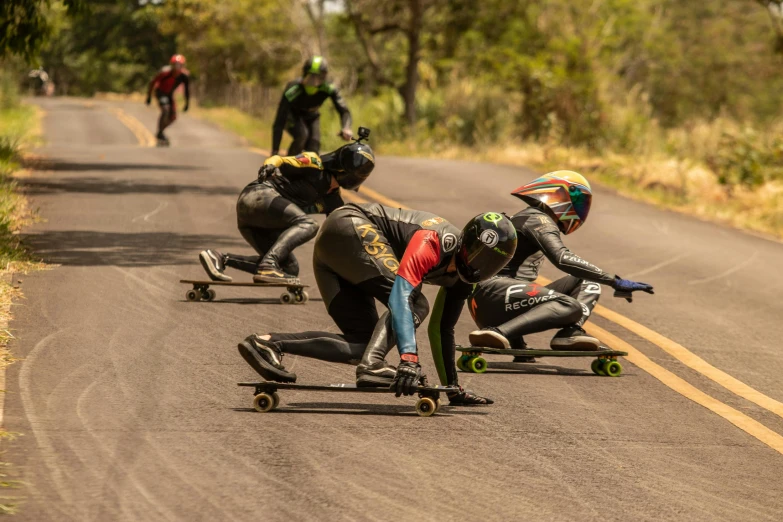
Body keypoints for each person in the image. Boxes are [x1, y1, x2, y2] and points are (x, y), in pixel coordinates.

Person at [237, 204, 517, 405]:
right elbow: (400, 296)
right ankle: (373, 366)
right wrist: (408, 359)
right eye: (475, 253)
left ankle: (267, 344)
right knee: (415, 302)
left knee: (364, 344)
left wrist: (452, 389)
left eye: (490, 262)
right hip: (349, 225)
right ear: (464, 239)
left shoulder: (467, 279)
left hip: (335, 255)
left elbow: (442, 329)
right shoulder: (435, 240)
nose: (478, 264)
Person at [467, 171, 654, 359]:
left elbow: (517, 279)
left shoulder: (531, 217)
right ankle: (498, 332)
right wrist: (613, 281)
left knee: (588, 282)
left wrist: (519, 347)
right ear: (558, 195)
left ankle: (569, 333)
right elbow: (562, 258)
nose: (580, 208)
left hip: (495, 299)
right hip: (493, 295)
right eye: (578, 201)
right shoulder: (538, 219)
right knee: (571, 306)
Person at [199, 133, 375, 284]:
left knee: (289, 269)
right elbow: (280, 160)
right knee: (309, 224)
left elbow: (341, 235)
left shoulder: (333, 201)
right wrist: (269, 165)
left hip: (257, 221)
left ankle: (221, 258)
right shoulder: (314, 163)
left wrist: (360, 265)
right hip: (258, 195)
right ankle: (268, 266)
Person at [271, 56, 352, 156]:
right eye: (310, 76)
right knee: (302, 135)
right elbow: (279, 121)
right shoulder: (292, 89)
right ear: (304, 74)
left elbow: (343, 110)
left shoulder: (329, 88)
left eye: (318, 77)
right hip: (293, 116)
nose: (313, 82)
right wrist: (275, 151)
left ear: (323, 77)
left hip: (313, 116)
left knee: (314, 146)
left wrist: (346, 127)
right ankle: (288, 166)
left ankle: (310, 170)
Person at [146, 54, 190, 144]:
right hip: (160, 92)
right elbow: (152, 82)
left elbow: (187, 90)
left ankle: (160, 132)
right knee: (165, 110)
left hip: (169, 94)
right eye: (175, 65)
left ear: (182, 66)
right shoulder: (164, 72)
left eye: (179, 65)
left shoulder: (184, 76)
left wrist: (187, 103)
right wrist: (149, 96)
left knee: (173, 117)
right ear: (172, 65)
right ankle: (160, 133)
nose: (177, 68)